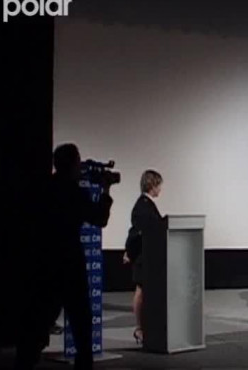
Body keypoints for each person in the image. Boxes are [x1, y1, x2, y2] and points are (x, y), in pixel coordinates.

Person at [16, 143, 114, 370]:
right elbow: (99, 218)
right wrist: (106, 190)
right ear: (72, 164)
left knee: (38, 321)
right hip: (69, 264)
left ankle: (23, 363)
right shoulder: (73, 192)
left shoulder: (43, 189)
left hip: (43, 263)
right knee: (81, 326)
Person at [123, 170, 164, 344]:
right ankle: (139, 328)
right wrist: (129, 252)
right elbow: (138, 232)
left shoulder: (147, 205)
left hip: (148, 255)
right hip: (142, 256)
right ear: (152, 185)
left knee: (145, 291)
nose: (160, 189)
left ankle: (147, 327)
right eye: (159, 185)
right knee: (140, 291)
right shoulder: (143, 206)